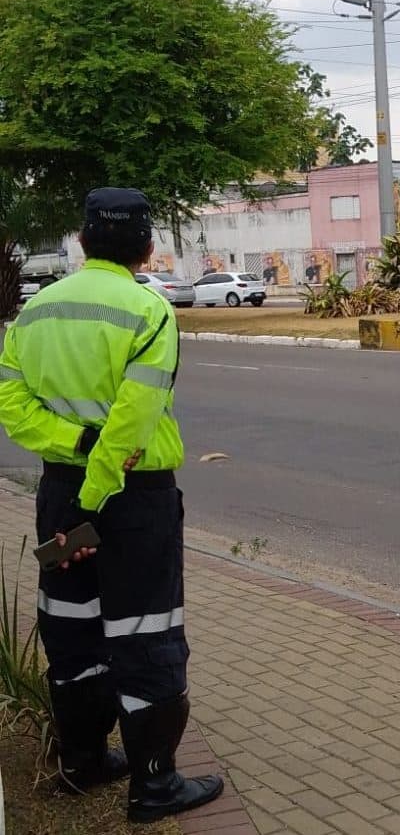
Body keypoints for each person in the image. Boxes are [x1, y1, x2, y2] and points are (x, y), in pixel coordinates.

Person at [0, 188, 223, 823]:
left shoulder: (34, 313)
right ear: (147, 247)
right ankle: (154, 787)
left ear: (82, 241)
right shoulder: (149, 311)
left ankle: (83, 763)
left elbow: (11, 408)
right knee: (145, 634)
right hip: (132, 503)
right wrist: (94, 490)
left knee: (72, 629)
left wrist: (70, 461)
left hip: (59, 494)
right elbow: (130, 425)